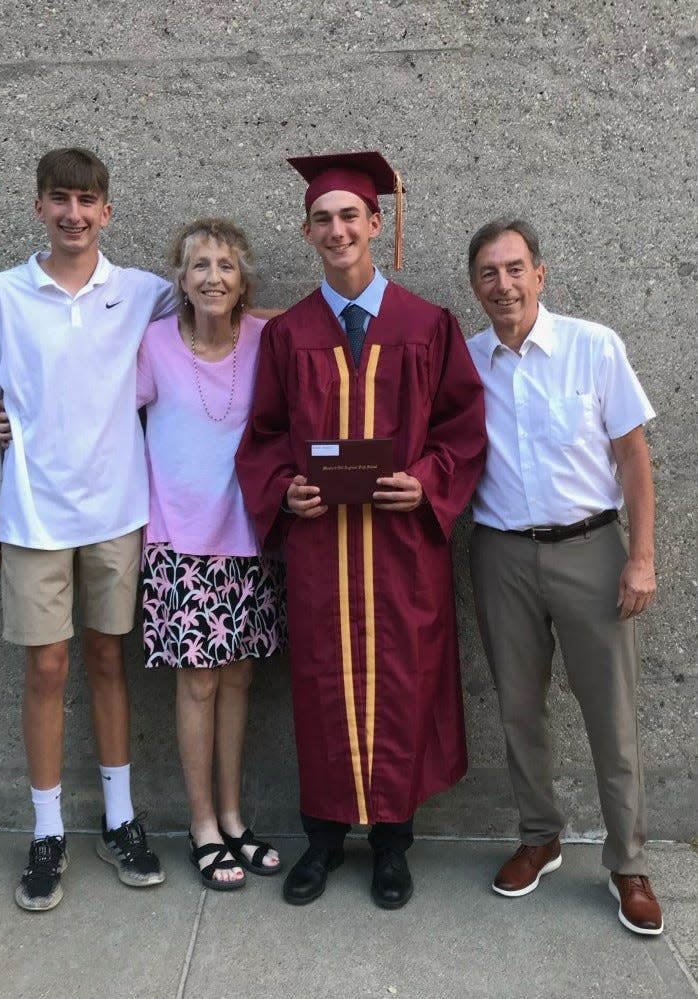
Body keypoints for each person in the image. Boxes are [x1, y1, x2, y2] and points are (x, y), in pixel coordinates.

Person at [235, 151, 487, 909]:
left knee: (401, 686)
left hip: (401, 551)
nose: (337, 229)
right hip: (320, 552)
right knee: (321, 688)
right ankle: (322, 840)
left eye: (350, 216)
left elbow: (463, 430)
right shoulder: (289, 336)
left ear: (376, 224)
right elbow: (265, 435)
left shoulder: (428, 324)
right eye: (323, 219)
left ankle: (391, 844)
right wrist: (287, 491)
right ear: (308, 232)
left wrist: (429, 481)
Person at [0, 147, 172, 911]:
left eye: (87, 201)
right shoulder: (2, 296)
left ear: (108, 210)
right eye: (60, 199)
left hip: (118, 509)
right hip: (33, 513)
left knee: (107, 659)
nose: (74, 214)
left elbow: (226, 318)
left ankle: (121, 819)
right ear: (39, 206)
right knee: (46, 669)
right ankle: (47, 829)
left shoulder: (142, 292)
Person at [465, 218, 663, 935]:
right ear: (475, 287)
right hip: (501, 554)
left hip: (591, 549)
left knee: (610, 713)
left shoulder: (593, 346)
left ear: (540, 275)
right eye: (489, 272)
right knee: (518, 707)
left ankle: (629, 862)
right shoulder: (467, 360)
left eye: (515, 268)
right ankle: (540, 835)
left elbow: (633, 458)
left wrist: (640, 555)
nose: (504, 284)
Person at [136, 218, 285, 889]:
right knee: (197, 680)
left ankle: (232, 815)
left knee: (239, 678)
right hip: (181, 542)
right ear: (182, 279)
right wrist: (11, 419)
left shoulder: (264, 339)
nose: (213, 276)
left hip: (249, 539)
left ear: (243, 278)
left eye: (225, 264)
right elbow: (98, 407)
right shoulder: (154, 345)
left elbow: (315, 323)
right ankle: (200, 823)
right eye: (199, 265)